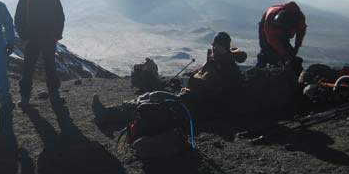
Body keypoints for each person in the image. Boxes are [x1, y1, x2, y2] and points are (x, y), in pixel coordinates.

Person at [91, 32, 247, 125]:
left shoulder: (225, 67)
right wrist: (185, 80)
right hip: (190, 99)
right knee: (149, 96)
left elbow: (211, 90)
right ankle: (108, 113)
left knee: (152, 101)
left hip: (196, 107)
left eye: (218, 48)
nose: (214, 50)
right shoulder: (216, 62)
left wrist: (188, 85)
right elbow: (201, 78)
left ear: (225, 48)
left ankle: (108, 115)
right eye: (213, 47)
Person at [15, 0, 65, 107]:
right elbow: (19, 15)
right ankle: (25, 98)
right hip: (32, 37)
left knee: (50, 67)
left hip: (49, 38)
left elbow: (60, 17)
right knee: (28, 68)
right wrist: (23, 34)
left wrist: (57, 35)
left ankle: (54, 95)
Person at [257, 1, 306, 73]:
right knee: (267, 50)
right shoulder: (270, 18)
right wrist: (287, 57)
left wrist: (297, 46)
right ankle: (259, 71)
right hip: (266, 27)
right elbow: (273, 41)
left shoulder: (300, 19)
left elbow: (301, 32)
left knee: (287, 50)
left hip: (284, 29)